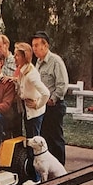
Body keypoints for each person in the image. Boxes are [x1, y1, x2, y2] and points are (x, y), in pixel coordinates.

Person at [13, 42, 50, 185]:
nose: (15, 57)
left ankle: (37, 178)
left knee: (34, 144)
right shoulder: (23, 70)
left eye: (17, 55)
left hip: (34, 114)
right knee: (30, 142)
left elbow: (46, 93)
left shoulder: (31, 74)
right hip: (27, 111)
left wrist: (38, 104)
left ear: (24, 56)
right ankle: (33, 175)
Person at [31, 31, 69, 166]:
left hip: (54, 106)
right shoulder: (38, 62)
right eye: (33, 46)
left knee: (55, 138)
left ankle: (60, 171)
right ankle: (49, 169)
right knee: (44, 138)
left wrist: (52, 99)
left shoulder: (55, 61)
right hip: (41, 106)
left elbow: (62, 84)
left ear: (45, 45)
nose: (34, 49)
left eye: (36, 45)